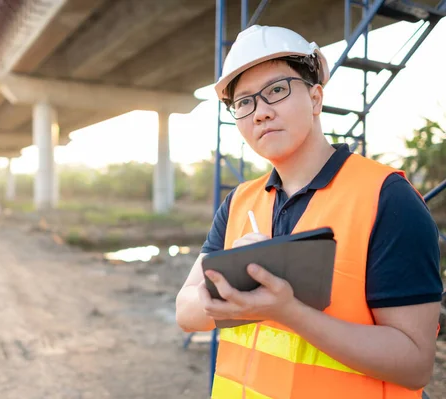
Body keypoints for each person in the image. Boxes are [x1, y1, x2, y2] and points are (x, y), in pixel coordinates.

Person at [175, 25, 443, 399]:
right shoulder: (240, 202)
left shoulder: (387, 199)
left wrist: (290, 311)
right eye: (244, 102)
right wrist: (224, 288)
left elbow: (414, 364)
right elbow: (186, 312)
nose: (261, 113)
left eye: (276, 91)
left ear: (316, 98)